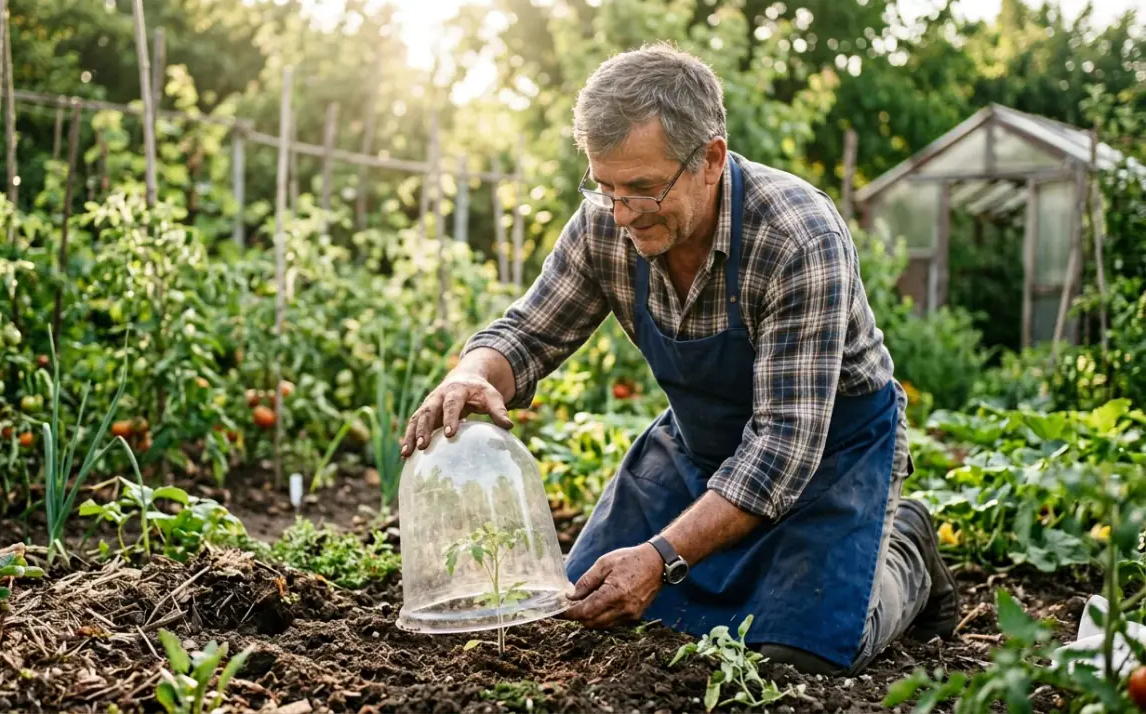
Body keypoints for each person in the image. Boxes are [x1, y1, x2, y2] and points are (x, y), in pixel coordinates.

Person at [399, 43, 958, 675]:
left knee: (800, 654)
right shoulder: (606, 224)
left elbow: (782, 446)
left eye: (643, 188)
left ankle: (906, 550)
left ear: (710, 159)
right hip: (701, 441)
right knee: (586, 604)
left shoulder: (797, 238)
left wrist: (660, 557)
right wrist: (472, 373)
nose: (622, 214)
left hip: (830, 449)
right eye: (605, 186)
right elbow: (529, 332)